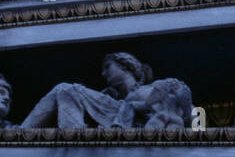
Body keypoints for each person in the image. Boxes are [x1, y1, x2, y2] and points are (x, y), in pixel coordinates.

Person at [21, 52, 192, 129]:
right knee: (64, 89)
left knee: (65, 89)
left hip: (147, 126)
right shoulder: (111, 97)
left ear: (125, 66)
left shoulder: (156, 87)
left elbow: (193, 113)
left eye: (108, 67)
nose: (103, 73)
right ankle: (72, 136)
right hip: (115, 115)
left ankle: (71, 137)